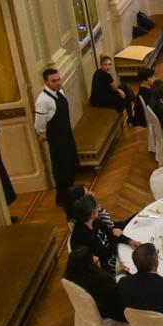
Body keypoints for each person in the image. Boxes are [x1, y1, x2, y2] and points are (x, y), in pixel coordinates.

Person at [35, 68, 79, 206]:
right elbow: (39, 123)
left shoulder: (60, 91)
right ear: (46, 82)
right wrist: (41, 134)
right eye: (54, 81)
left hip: (66, 134)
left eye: (58, 79)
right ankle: (62, 198)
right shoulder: (43, 100)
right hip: (57, 139)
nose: (58, 83)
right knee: (61, 168)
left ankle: (71, 193)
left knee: (70, 164)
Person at [69, 193, 138, 274]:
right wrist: (115, 237)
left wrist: (129, 241)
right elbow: (105, 254)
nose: (98, 208)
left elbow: (110, 232)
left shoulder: (94, 221)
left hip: (111, 251)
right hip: (104, 267)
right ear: (92, 214)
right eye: (96, 208)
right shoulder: (84, 235)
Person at [64, 245, 126, 322]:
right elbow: (118, 297)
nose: (96, 257)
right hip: (116, 312)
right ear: (87, 264)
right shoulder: (102, 279)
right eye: (92, 256)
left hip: (100, 308)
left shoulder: (74, 278)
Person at [89, 55, 135, 122]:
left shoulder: (97, 72)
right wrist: (120, 91)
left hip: (96, 97)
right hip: (100, 100)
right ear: (101, 65)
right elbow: (115, 87)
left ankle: (130, 114)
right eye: (105, 65)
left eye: (109, 65)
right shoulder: (107, 75)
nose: (108, 67)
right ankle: (130, 113)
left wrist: (120, 90)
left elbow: (112, 87)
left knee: (124, 88)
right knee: (125, 96)